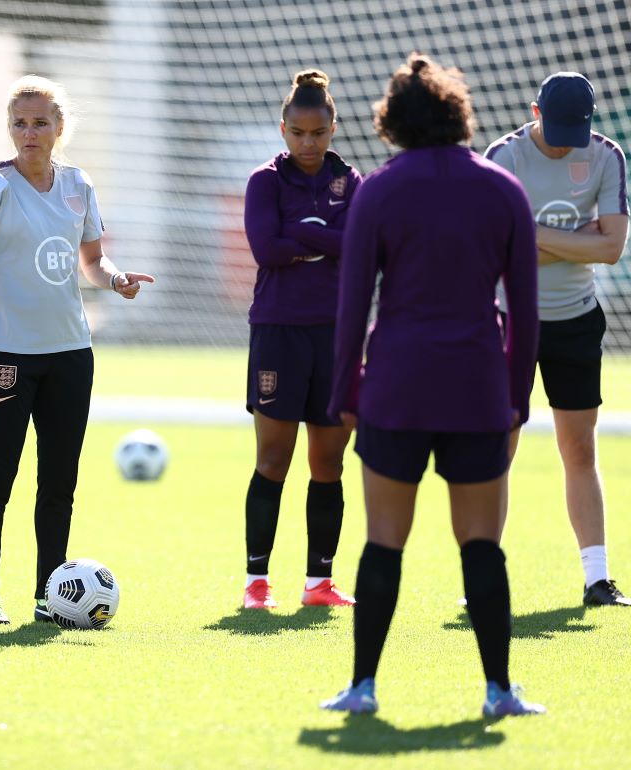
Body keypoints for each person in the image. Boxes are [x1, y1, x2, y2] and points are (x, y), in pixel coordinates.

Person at [321, 54, 545, 717]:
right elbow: (525, 312)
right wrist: (517, 400)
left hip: (396, 386)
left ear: (393, 121)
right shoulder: (503, 189)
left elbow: (351, 304)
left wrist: (345, 394)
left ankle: (362, 689)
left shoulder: (380, 191)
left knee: (383, 541)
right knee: (481, 544)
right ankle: (498, 692)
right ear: (458, 114)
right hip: (478, 388)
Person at [0, 75, 154, 627]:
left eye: (41, 122)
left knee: (59, 479)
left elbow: (92, 261)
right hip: (4, 353)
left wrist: (115, 281)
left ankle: (50, 596)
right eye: (20, 122)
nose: (29, 132)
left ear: (59, 128)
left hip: (70, 352)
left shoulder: (78, 184)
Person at [485, 72, 630, 607]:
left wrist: (531, 236)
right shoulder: (505, 157)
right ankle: (485, 573)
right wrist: (580, 239)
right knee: (499, 446)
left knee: (580, 447)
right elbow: (497, 248)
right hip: (510, 318)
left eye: (579, 128)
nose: (569, 139)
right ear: (534, 111)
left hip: (577, 318)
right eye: (558, 127)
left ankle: (597, 579)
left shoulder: (605, 155)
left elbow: (613, 248)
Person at [241, 69, 360, 610]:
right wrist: (325, 238)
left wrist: (305, 234)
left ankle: (319, 584)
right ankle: (256, 584)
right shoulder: (265, 182)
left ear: (333, 127)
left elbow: (361, 249)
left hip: (336, 335)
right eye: (297, 133)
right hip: (278, 333)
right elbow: (266, 249)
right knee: (273, 460)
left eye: (318, 132)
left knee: (329, 464)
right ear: (283, 129)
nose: (308, 143)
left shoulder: (352, 182)